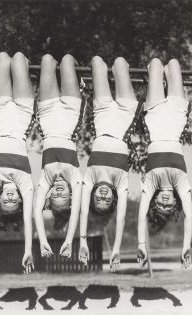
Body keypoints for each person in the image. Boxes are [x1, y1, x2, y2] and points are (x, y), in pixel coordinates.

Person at [79, 56, 139, 271]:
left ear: (93, 194)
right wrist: (116, 248)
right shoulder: (121, 183)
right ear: (113, 197)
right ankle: (122, 69)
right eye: (107, 201)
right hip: (125, 115)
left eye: (98, 200)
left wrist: (82, 240)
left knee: (96, 62)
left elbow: (83, 211)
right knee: (121, 63)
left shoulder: (89, 179)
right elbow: (121, 218)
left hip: (102, 114)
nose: (103, 197)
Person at [137, 58, 192, 269]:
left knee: (156, 64)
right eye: (168, 206)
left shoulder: (151, 183)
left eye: (160, 205)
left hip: (156, 119)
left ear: (155, 201)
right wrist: (186, 245)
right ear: (174, 204)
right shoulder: (182, 185)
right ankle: (162, 69)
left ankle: (152, 68)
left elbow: (142, 215)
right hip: (177, 120)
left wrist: (141, 244)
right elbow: (189, 215)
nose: (165, 203)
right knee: (174, 64)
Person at [0, 52, 35, 274]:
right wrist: (28, 250)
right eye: (14, 202)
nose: (11, 198)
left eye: (6, 202)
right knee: (20, 58)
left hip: (1, 116)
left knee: (3, 58)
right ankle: (26, 68)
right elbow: (29, 220)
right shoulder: (26, 184)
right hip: (23, 115)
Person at [34, 54, 83, 259]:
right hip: (71, 115)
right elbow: (75, 213)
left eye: (55, 197)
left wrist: (43, 241)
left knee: (46, 59)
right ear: (71, 198)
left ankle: (58, 69)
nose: (60, 192)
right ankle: (78, 78)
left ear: (49, 196)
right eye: (64, 197)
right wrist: (69, 240)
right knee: (67, 60)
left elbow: (36, 212)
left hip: (47, 116)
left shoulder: (46, 179)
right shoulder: (76, 179)